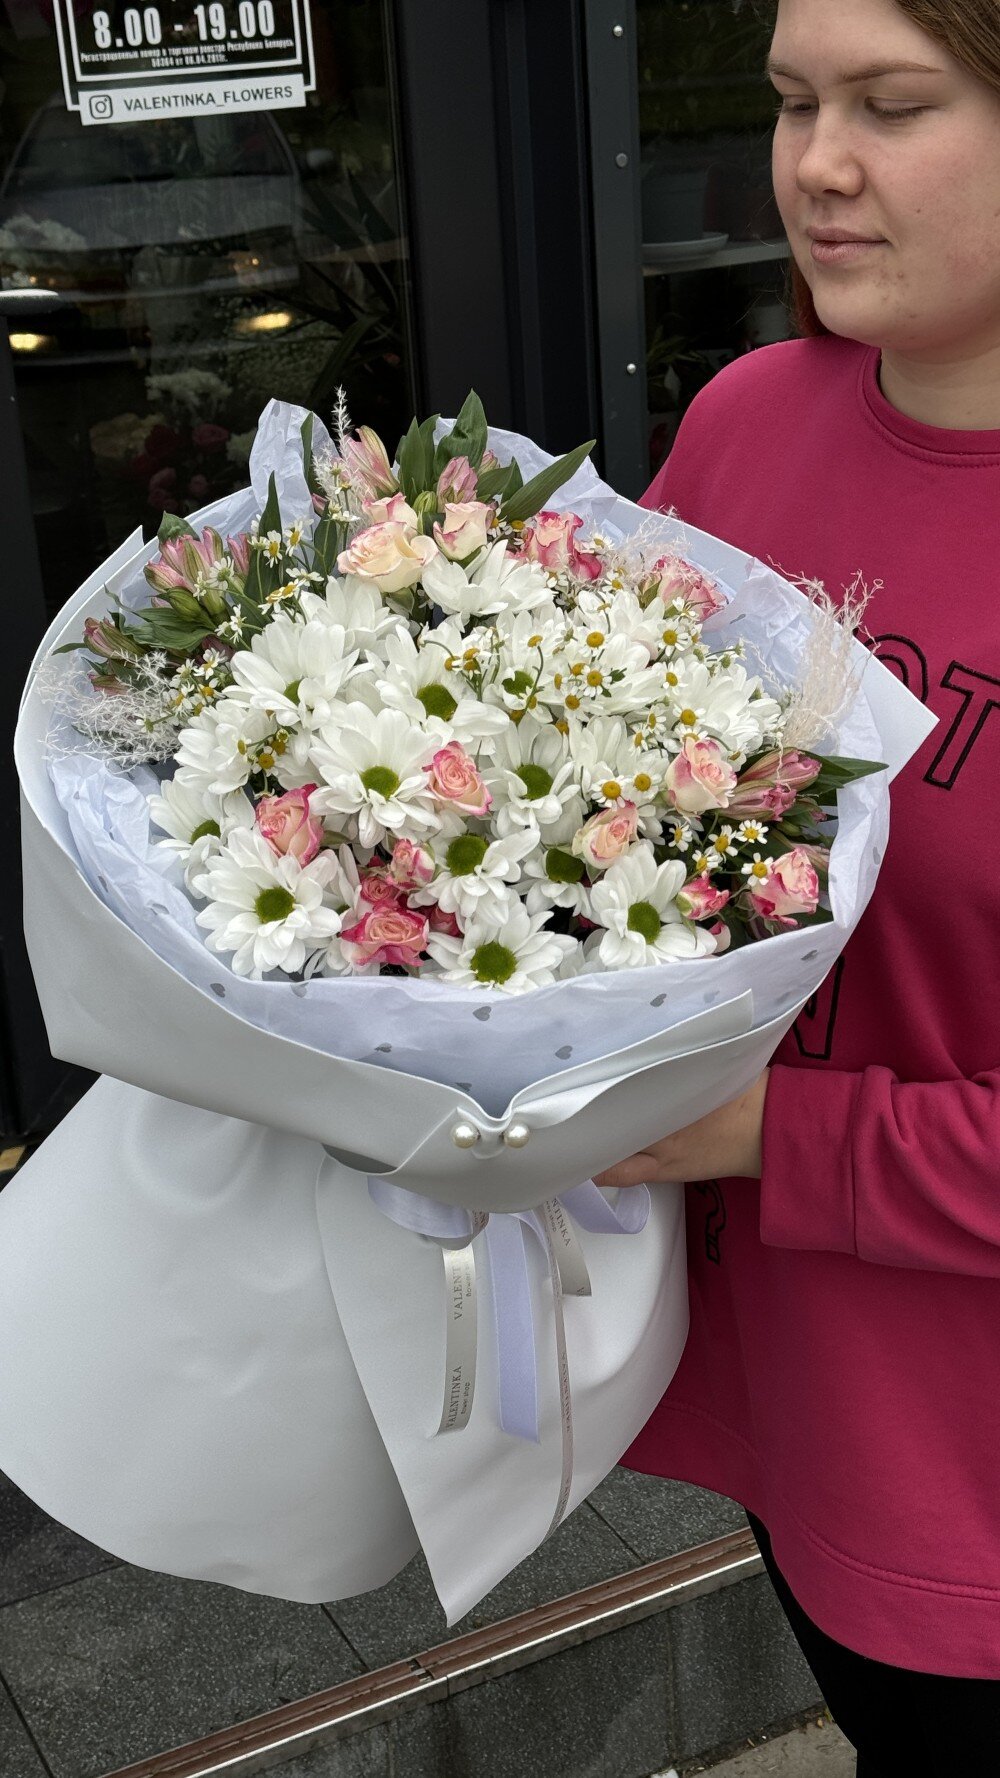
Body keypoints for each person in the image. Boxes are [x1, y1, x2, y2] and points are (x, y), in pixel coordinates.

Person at [603, 0, 1000, 1769]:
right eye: (790, 102)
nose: (817, 166)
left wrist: (775, 1132)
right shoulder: (748, 424)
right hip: (804, 1423)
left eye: (892, 106)